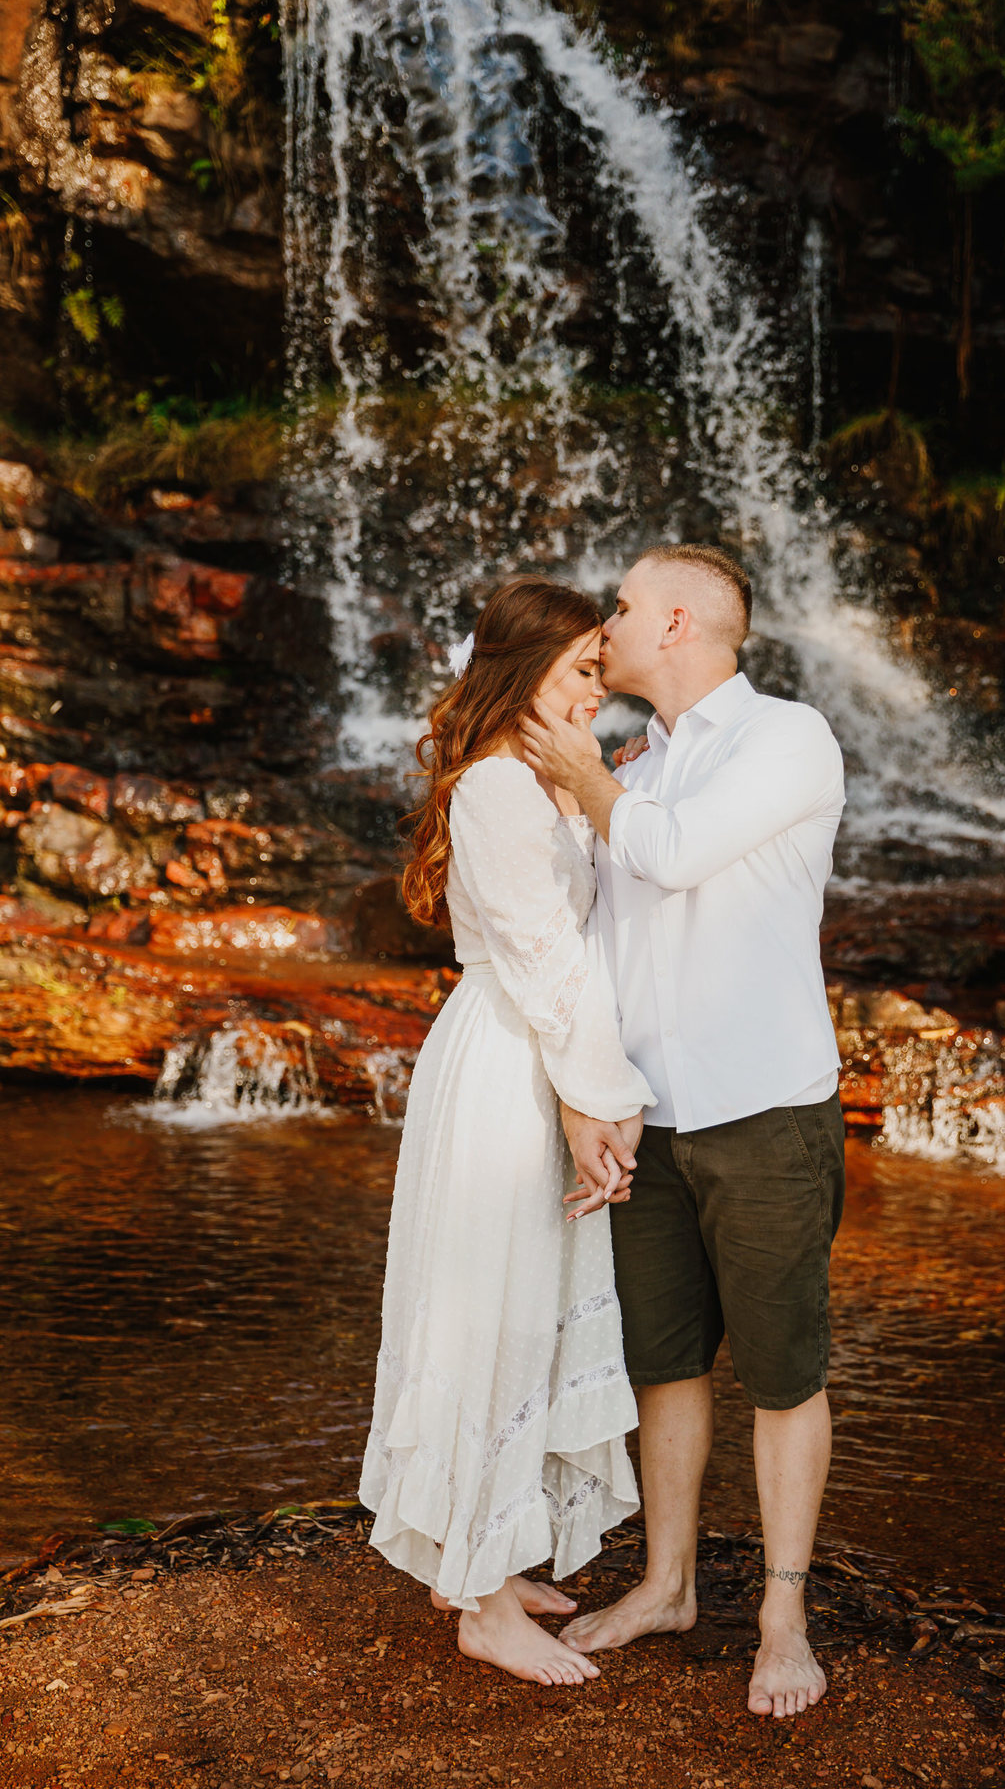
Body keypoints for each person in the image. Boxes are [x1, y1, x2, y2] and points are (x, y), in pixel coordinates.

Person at [520, 541, 846, 1720]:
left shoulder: (787, 740)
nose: (602, 624)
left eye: (617, 606)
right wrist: (591, 1096)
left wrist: (589, 782)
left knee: (781, 1372)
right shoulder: (641, 757)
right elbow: (606, 939)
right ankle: (666, 1584)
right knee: (663, 1362)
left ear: (673, 624)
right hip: (651, 1120)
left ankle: (782, 1616)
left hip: (765, 1112)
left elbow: (671, 855)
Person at [359, 575, 656, 1688]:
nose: (601, 690)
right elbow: (543, 958)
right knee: (491, 1312)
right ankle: (480, 1603)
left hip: (540, 1055)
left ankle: (482, 1553)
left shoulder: (545, 783)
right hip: (507, 1066)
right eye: (585, 669)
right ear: (525, 672)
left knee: (528, 1308)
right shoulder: (493, 788)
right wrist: (598, 1102)